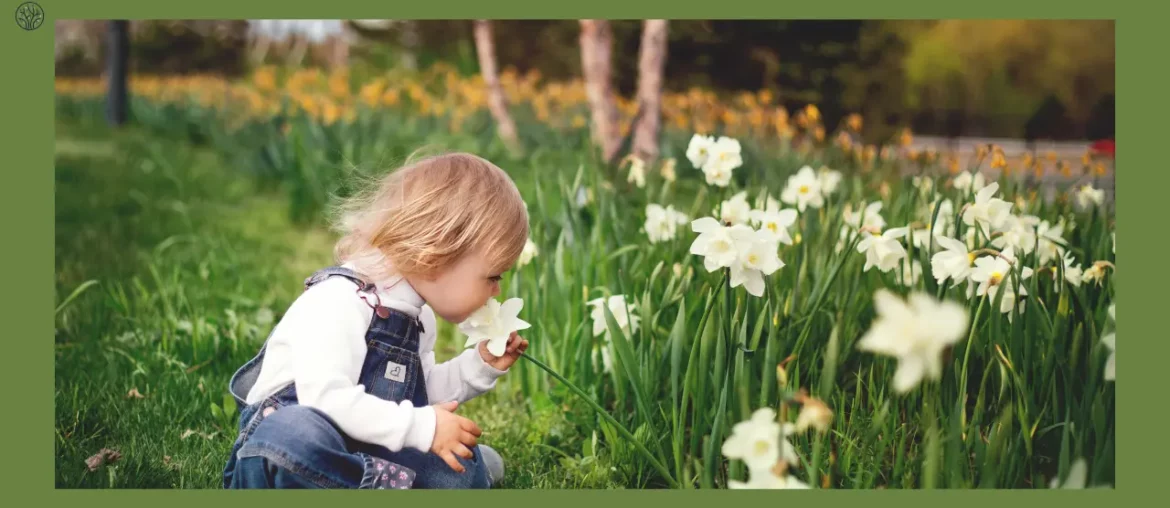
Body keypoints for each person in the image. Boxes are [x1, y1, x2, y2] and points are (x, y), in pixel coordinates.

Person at [221, 152, 531, 489]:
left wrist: (480, 366)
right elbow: (325, 399)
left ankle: (378, 480)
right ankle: (389, 482)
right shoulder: (339, 300)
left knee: (459, 466)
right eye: (492, 277)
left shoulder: (417, 315)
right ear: (435, 257)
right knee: (291, 434)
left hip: (361, 447)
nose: (497, 290)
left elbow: (417, 396)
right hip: (293, 450)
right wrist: (422, 429)